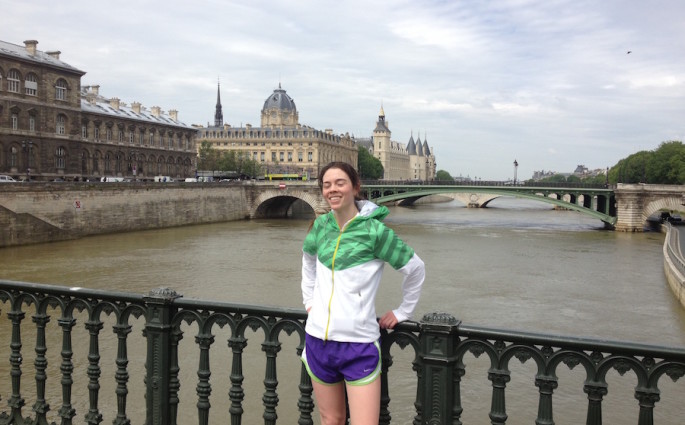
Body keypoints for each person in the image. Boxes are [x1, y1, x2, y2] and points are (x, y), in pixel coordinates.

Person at [301, 161, 425, 425]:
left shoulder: (375, 232)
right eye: (326, 185)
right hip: (317, 341)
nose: (332, 190)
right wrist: (309, 301)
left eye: (339, 183)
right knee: (330, 420)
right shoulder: (321, 226)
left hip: (358, 344)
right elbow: (308, 260)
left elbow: (415, 269)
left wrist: (403, 311)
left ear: (355, 188)